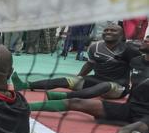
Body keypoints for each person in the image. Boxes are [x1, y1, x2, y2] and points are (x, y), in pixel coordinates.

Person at [30, 34, 149, 133]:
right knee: (77, 102)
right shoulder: (136, 61)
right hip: (130, 107)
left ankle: (129, 129)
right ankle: (26, 106)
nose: (146, 39)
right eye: (147, 37)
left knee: (130, 130)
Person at [12, 24, 140, 100]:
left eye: (113, 30)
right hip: (96, 80)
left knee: (105, 85)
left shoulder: (129, 49)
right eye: (106, 30)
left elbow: (140, 69)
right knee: (66, 80)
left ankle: (64, 97)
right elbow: (90, 64)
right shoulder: (95, 46)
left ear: (122, 36)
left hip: (117, 87)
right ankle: (26, 85)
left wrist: (136, 91)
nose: (108, 32)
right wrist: (79, 77)